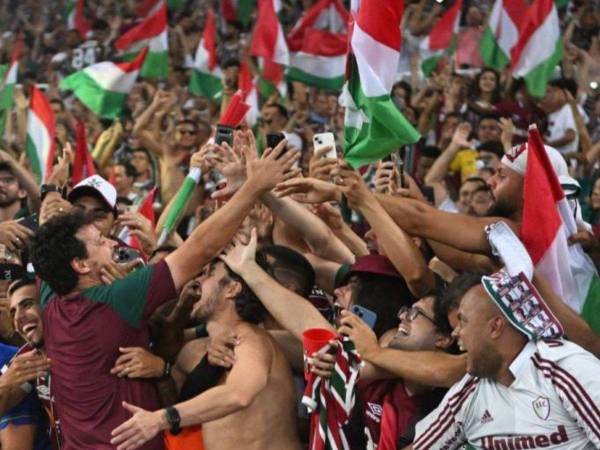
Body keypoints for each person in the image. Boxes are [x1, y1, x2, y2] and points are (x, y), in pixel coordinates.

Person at [28, 141, 297, 449]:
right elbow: (201, 249)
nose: (113, 244)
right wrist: (253, 188)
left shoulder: (50, 296)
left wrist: (51, 188)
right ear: (80, 264)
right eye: (100, 241)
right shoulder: (117, 300)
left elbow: (48, 229)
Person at [110, 256, 302, 450]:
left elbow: (239, 394)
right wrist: (161, 372)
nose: (197, 281)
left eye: (208, 274)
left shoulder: (252, 340)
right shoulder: (193, 350)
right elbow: (180, 409)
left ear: (232, 289)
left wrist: (160, 419)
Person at [407, 271, 600, 449]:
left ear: (495, 327)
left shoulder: (567, 368)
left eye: (463, 322)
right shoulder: (468, 393)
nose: (457, 333)